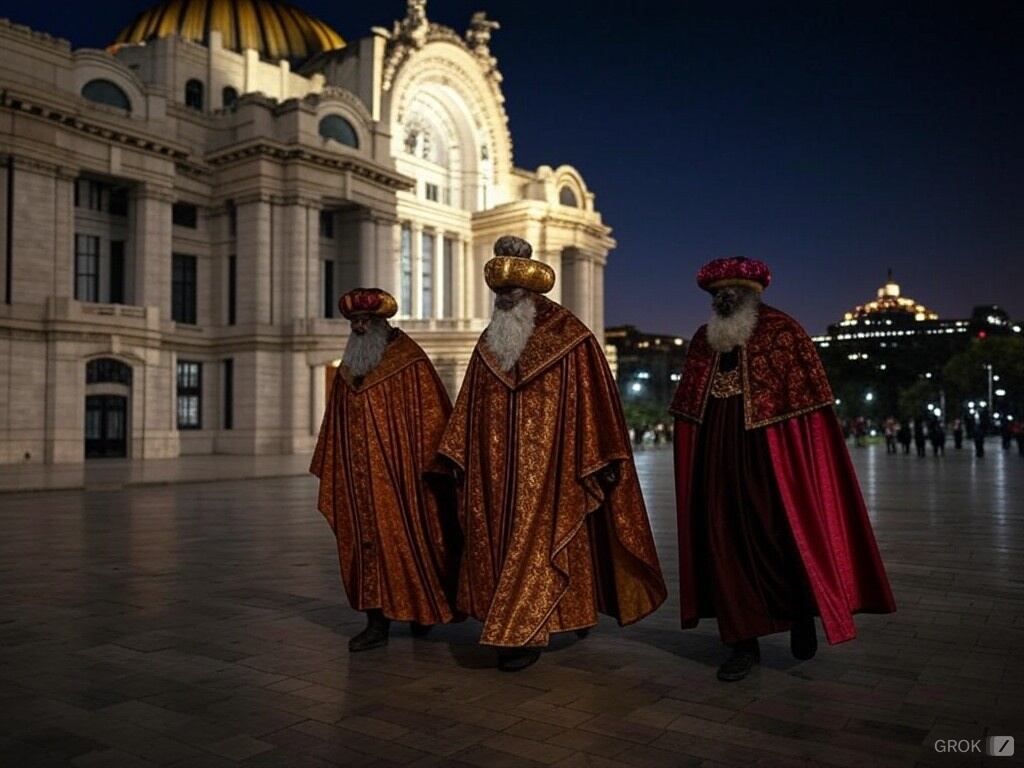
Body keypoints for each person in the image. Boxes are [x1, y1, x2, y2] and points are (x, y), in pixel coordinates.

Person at [436, 236, 667, 672]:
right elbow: (470, 404)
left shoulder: (571, 338)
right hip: (494, 474)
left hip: (554, 472)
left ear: (532, 293)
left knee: (540, 542)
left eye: (511, 293)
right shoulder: (490, 343)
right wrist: (457, 452)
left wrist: (600, 455)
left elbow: (595, 402)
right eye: (499, 294)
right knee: (500, 545)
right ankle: (545, 617)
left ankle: (520, 634)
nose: (503, 301)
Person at [671, 257, 896, 682]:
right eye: (716, 295)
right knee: (722, 539)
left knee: (778, 534)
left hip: (772, 458)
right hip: (717, 455)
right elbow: (687, 406)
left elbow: (808, 413)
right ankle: (742, 641)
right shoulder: (704, 340)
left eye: (731, 294)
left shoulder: (783, 332)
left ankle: (799, 613)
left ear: (752, 296)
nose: (723, 301)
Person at [310, 288, 459, 652]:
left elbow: (432, 417)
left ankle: (423, 610)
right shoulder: (350, 368)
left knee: (412, 544)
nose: (359, 329)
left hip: (403, 481)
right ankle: (376, 622)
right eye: (354, 323)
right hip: (358, 481)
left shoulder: (409, 361)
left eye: (366, 321)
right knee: (365, 549)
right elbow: (336, 420)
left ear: (382, 322)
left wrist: (430, 467)